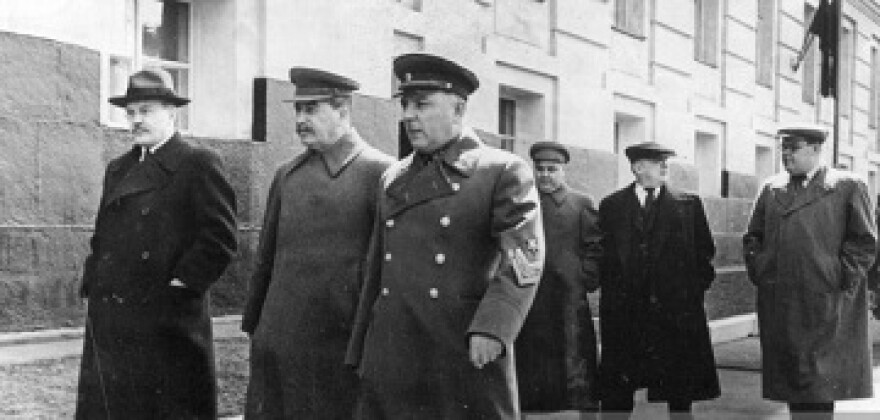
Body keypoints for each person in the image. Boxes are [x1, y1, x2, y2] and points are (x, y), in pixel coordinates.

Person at [345, 53, 545, 419]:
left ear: (458, 109)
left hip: (460, 346)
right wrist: (361, 347)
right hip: (392, 350)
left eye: (422, 104)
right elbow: (377, 271)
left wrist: (494, 328)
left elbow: (524, 259)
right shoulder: (393, 177)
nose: (409, 115)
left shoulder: (500, 170)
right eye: (405, 104)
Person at [75, 68, 238, 419]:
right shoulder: (118, 169)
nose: (136, 120)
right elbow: (102, 236)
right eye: (131, 112)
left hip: (167, 319)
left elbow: (220, 238)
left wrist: (181, 285)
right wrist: (93, 278)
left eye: (146, 111)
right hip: (112, 318)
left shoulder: (197, 163)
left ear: (171, 113)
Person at [241, 67, 394, 419]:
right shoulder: (287, 175)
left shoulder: (381, 173)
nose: (300, 120)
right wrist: (255, 327)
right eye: (298, 109)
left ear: (343, 110)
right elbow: (266, 259)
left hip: (338, 346)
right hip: (277, 341)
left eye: (311, 109)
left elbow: (384, 270)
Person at [743, 124, 877, 419]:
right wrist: (762, 270)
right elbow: (753, 237)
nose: (786, 154)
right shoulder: (771, 188)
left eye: (794, 148)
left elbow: (864, 241)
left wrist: (839, 275)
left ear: (816, 150)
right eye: (783, 148)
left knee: (821, 385)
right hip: (783, 301)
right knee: (792, 381)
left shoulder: (847, 186)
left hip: (826, 300)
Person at [597, 142, 719, 419]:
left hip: (674, 313)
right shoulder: (612, 206)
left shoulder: (688, 205)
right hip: (626, 315)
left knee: (679, 392)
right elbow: (603, 257)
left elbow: (704, 254)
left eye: (665, 162)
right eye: (657, 162)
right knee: (618, 392)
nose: (665, 167)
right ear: (637, 167)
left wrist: (690, 295)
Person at [515, 142, 602, 419]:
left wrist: (583, 278)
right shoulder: (523, 202)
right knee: (530, 359)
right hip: (532, 296)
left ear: (563, 171)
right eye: (540, 169)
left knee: (575, 358)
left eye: (552, 169)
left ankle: (585, 410)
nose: (545, 175)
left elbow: (595, 247)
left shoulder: (580, 203)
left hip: (568, 298)